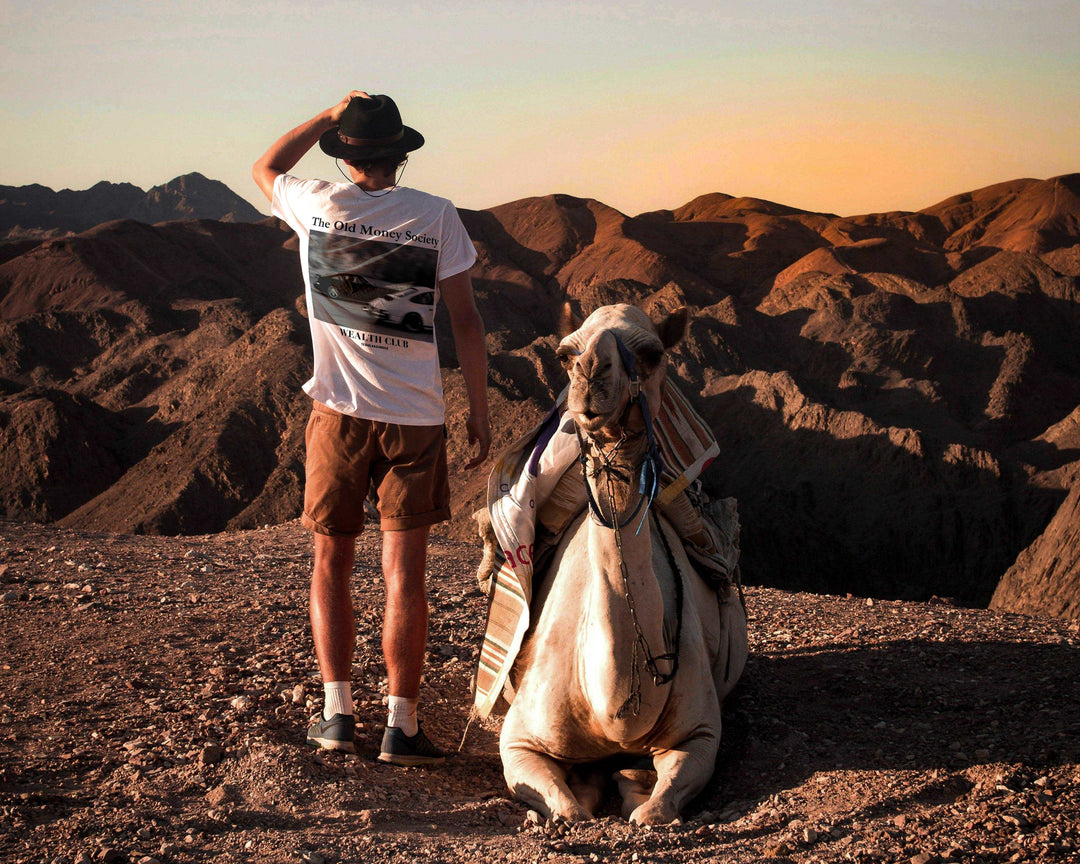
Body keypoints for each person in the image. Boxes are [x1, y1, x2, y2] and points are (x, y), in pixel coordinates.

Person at [253, 91, 490, 765]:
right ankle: (402, 726)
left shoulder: (318, 204)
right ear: (401, 154)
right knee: (403, 577)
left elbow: (265, 166)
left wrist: (328, 114)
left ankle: (335, 716)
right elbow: (466, 322)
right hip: (416, 417)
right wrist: (477, 407)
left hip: (338, 414)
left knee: (331, 563)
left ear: (343, 152)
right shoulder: (437, 216)